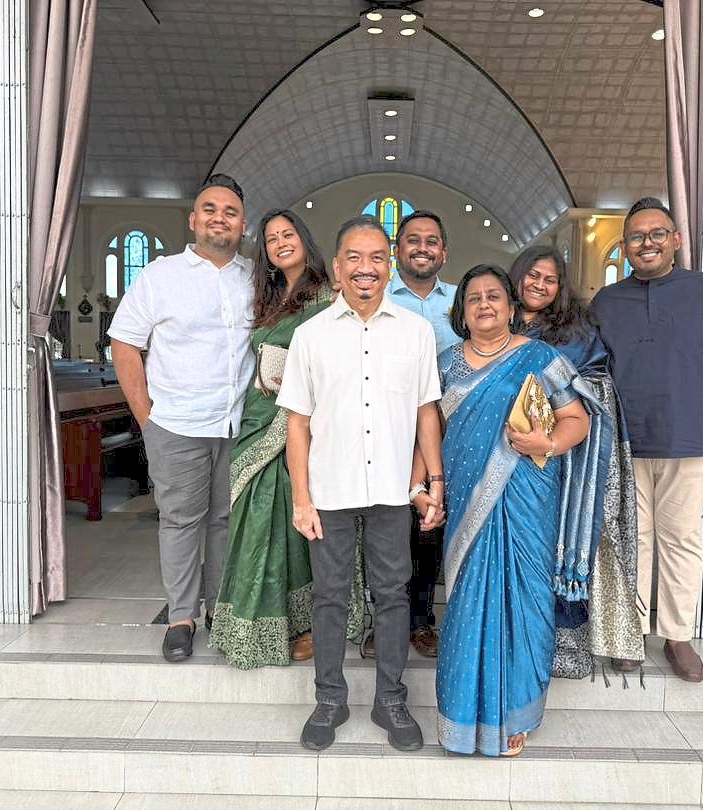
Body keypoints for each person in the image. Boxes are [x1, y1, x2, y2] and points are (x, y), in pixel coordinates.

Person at [278, 216, 444, 753]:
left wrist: (428, 481)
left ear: (388, 264)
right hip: (329, 493)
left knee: (393, 596)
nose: (366, 268)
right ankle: (329, 698)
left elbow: (425, 413)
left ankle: (390, 699)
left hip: (393, 495)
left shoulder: (415, 332)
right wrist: (302, 498)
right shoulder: (311, 335)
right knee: (329, 598)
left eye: (376, 257)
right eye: (354, 257)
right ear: (338, 267)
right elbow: (297, 423)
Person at [587, 197, 703, 683]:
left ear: (676, 240)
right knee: (632, 541)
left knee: (681, 539)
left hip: (690, 442)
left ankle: (677, 635)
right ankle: (631, 633)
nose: (647, 243)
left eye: (657, 234)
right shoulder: (607, 302)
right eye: (637, 237)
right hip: (623, 446)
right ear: (623, 247)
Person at [435, 264, 590, 757]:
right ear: (461, 311)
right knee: (467, 600)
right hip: (465, 498)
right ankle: (462, 717)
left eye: (494, 296)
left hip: (527, 493)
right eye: (474, 297)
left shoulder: (541, 357)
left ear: (510, 306)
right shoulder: (444, 364)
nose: (484, 304)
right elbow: (426, 433)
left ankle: (515, 713)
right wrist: (425, 485)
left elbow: (577, 419)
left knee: (523, 596)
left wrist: (547, 439)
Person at [209, 209, 366, 668]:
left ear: (304, 239)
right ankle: (262, 621)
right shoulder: (272, 296)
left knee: (302, 524)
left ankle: (314, 625)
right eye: (271, 238)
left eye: (288, 233)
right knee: (258, 522)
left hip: (305, 424)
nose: (280, 242)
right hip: (260, 416)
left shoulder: (328, 292)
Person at [108, 174, 255, 663]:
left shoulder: (253, 278)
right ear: (193, 220)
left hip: (234, 425)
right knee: (179, 521)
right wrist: (147, 419)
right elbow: (125, 342)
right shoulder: (161, 276)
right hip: (176, 423)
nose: (220, 217)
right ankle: (181, 617)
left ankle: (219, 609)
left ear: (242, 224)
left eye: (230, 211)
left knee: (224, 521)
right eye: (210, 209)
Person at [507, 247, 644, 677]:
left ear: (560, 288)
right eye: (532, 275)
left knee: (584, 537)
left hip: (573, 459)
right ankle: (520, 637)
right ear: (517, 277)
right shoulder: (499, 321)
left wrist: (557, 401)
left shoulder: (576, 331)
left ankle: (588, 641)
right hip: (513, 457)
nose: (539, 285)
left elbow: (597, 383)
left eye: (550, 279)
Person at [383, 209, 459, 659]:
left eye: (432, 241)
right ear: (398, 251)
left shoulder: (461, 300)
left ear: (443, 252)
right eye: (413, 240)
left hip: (444, 429)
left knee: (429, 525)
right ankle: (385, 621)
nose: (423, 247)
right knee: (386, 530)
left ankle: (422, 619)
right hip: (389, 428)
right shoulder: (380, 298)